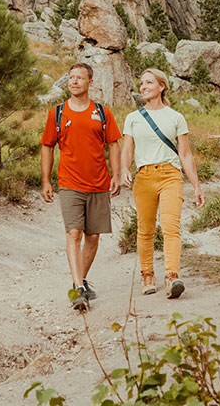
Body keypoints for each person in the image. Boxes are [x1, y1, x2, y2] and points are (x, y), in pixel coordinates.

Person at [40, 61, 122, 312]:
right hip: (69, 183)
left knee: (93, 236)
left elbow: (114, 144)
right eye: (71, 77)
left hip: (98, 182)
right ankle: (78, 289)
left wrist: (116, 175)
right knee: (73, 234)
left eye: (79, 78)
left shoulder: (102, 112)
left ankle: (80, 282)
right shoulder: (57, 113)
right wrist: (46, 180)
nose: (74, 81)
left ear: (90, 82)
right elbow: (47, 146)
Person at [118, 67, 203, 299]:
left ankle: (172, 276)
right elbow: (127, 149)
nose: (143, 87)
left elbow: (185, 155)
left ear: (161, 86)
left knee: (170, 227)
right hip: (144, 176)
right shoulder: (133, 118)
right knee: (145, 229)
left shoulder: (176, 117)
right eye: (141, 83)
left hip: (170, 176)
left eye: (148, 83)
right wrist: (124, 169)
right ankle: (147, 275)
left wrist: (196, 184)